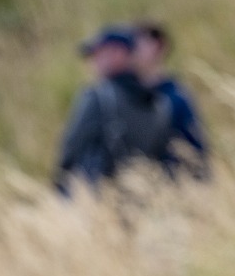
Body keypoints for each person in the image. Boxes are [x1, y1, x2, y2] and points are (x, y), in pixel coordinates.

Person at [54, 26, 177, 193]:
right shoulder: (158, 102)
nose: (93, 61)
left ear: (119, 54)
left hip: (96, 200)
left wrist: (59, 189)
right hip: (141, 199)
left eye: (99, 54)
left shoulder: (97, 96)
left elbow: (72, 149)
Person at [133, 20, 211, 177]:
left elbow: (195, 151)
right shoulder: (121, 98)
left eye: (138, 44)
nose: (132, 51)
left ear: (158, 46)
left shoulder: (177, 98)